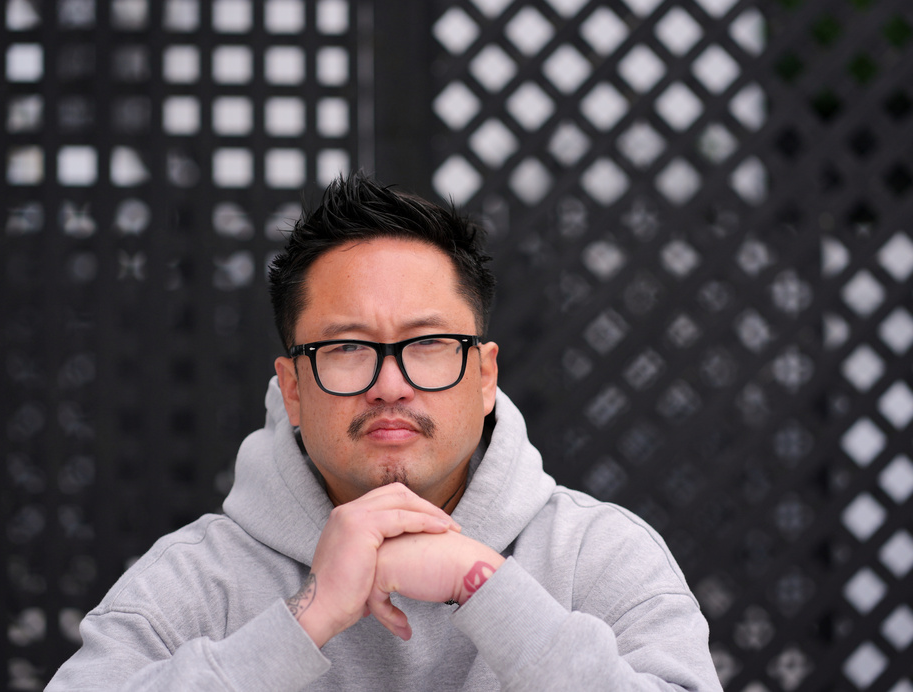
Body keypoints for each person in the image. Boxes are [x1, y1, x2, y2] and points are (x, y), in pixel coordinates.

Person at [47, 173, 723, 691]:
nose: (390, 383)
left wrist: (484, 585)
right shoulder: (201, 577)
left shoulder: (597, 557)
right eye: (346, 348)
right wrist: (306, 617)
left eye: (427, 344)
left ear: (485, 375)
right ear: (292, 387)